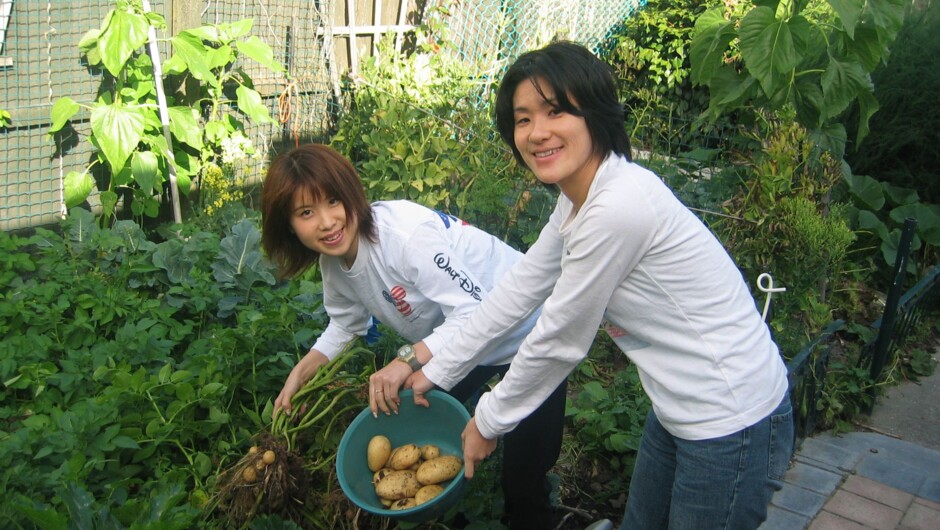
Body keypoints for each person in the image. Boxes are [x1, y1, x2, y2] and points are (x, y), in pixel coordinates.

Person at [405, 41, 794, 529]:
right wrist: (440, 368)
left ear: (594, 114)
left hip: (732, 417)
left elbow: (560, 338)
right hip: (679, 406)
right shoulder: (579, 200)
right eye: (522, 119)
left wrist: (488, 421)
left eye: (555, 111)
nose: (536, 133)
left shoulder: (616, 207)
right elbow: (519, 290)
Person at [259, 143, 566, 529]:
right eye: (306, 213)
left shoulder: (402, 236)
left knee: (524, 469)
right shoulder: (334, 264)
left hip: (528, 329)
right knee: (419, 416)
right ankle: (441, 502)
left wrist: (404, 361)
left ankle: (529, 515)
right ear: (289, 225)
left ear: (352, 192)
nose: (327, 222)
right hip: (463, 342)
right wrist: (300, 374)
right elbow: (345, 325)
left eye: (333, 201)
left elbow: (477, 310)